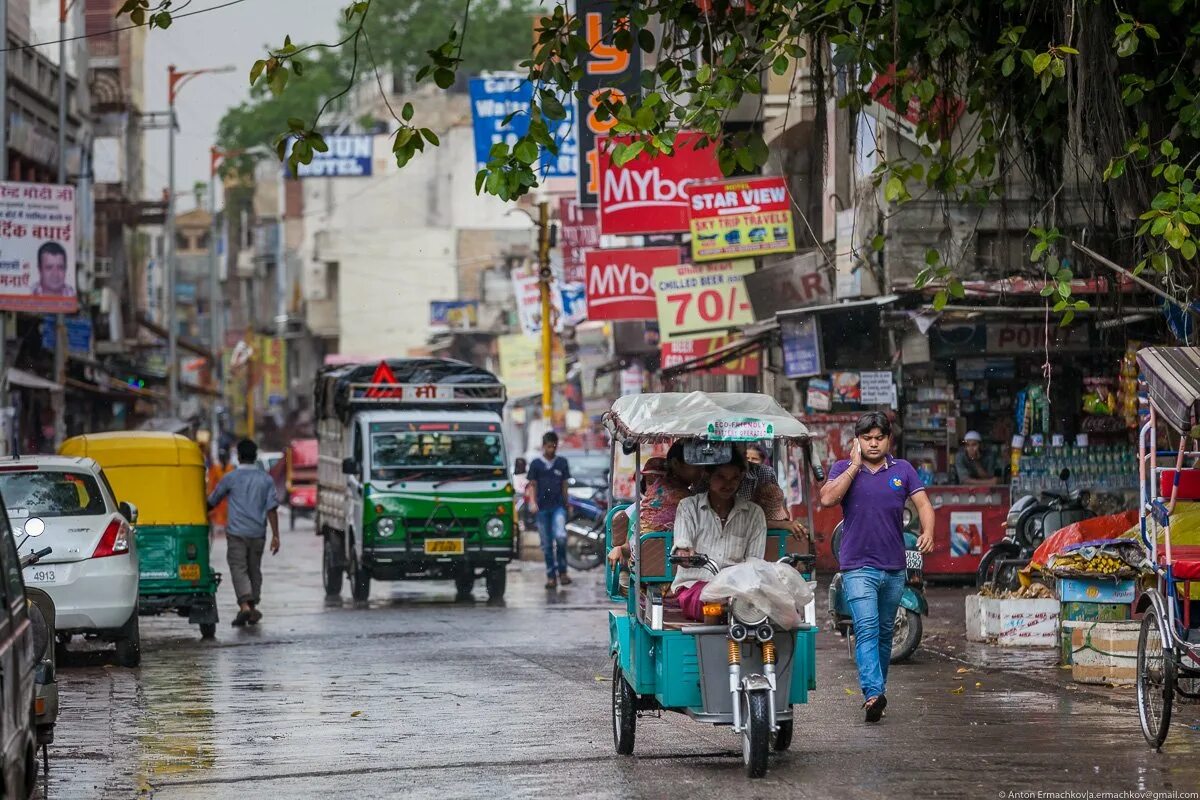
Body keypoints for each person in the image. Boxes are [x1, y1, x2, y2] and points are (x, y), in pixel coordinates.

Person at [819, 411, 934, 723]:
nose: (873, 443)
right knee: (867, 628)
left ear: (888, 440)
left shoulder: (904, 470)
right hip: (856, 567)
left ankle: (876, 693)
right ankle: (872, 693)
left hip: (894, 568)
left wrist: (928, 532)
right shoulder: (844, 468)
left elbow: (923, 504)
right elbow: (828, 498)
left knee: (884, 632)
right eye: (866, 438)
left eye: (878, 438)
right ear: (857, 441)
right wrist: (855, 466)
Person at [671, 450, 767, 622]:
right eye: (721, 477)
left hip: (738, 590)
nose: (728, 484)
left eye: (734, 478)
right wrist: (683, 553)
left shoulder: (754, 513)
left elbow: (755, 560)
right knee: (715, 605)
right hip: (694, 585)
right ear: (708, 475)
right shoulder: (688, 507)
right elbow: (682, 540)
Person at [207, 439, 281, 627]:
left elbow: (213, 500)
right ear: (255, 457)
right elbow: (272, 509)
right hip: (258, 533)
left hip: (237, 533)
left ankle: (245, 606)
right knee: (254, 569)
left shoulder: (230, 478)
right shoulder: (266, 479)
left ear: (238, 457)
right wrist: (276, 536)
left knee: (238, 567)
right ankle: (252, 605)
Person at [607, 442, 703, 569]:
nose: (701, 470)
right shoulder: (688, 498)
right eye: (694, 464)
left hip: (649, 562)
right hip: (658, 564)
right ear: (675, 464)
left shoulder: (692, 496)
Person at [526, 431, 572, 590]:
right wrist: (532, 502)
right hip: (542, 509)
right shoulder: (536, 464)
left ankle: (563, 572)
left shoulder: (562, 463)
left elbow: (564, 485)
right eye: (548, 446)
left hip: (558, 506)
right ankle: (551, 576)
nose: (551, 449)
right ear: (543, 446)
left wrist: (567, 503)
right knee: (546, 544)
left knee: (561, 538)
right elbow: (532, 485)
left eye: (554, 446)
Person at [206, 448, 236, 539]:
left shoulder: (231, 468)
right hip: (219, 498)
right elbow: (211, 482)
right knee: (218, 515)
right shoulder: (215, 468)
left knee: (228, 514)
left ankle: (227, 528)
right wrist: (210, 494)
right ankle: (219, 529)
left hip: (228, 498)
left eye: (224, 457)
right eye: (221, 458)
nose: (223, 459)